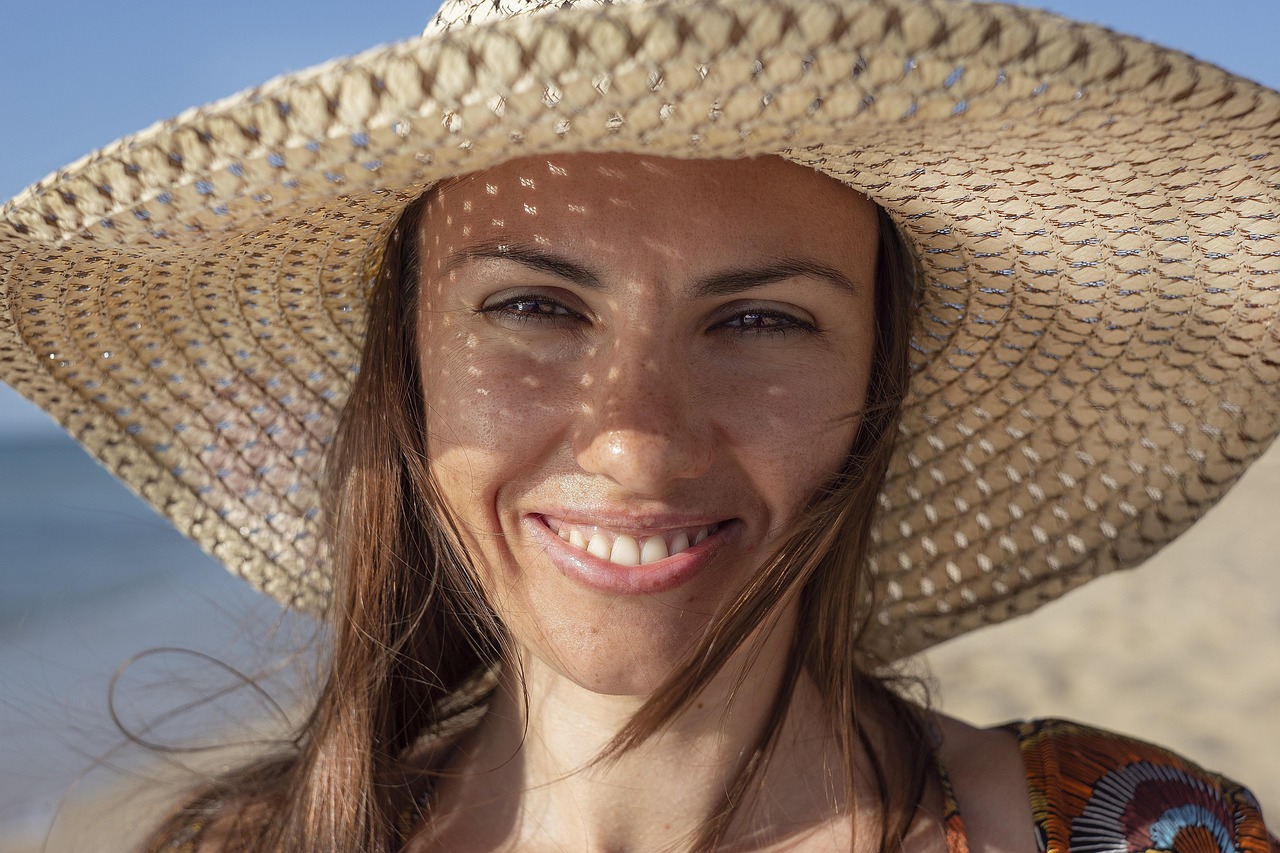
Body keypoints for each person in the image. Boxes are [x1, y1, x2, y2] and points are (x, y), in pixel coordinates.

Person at [1, 0, 1277, 851]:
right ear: (410, 370)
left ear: (878, 385)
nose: (636, 440)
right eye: (534, 305)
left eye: (764, 321)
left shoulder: (1134, 830)